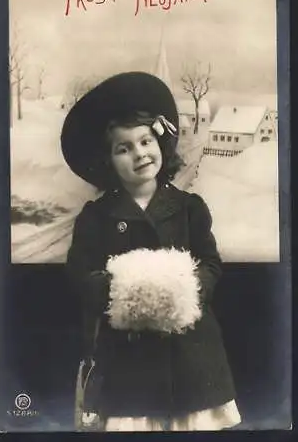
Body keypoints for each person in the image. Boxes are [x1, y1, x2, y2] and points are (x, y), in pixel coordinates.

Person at [60, 71, 241, 431]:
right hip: (128, 361)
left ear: (161, 144)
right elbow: (80, 273)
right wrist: (125, 293)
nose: (139, 154)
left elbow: (210, 263)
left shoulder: (189, 208)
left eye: (145, 142)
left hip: (190, 354)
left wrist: (184, 293)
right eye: (123, 148)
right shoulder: (97, 217)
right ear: (108, 160)